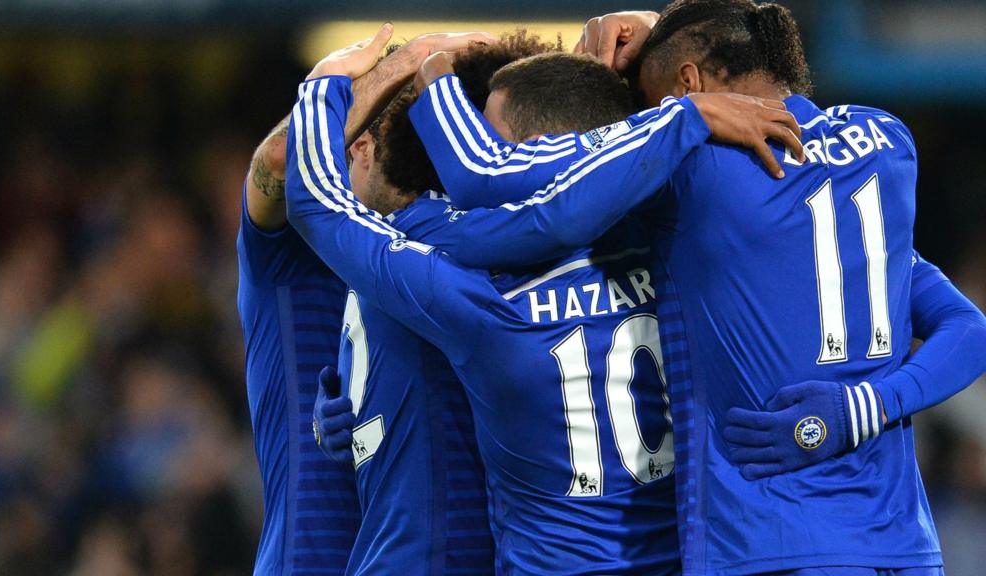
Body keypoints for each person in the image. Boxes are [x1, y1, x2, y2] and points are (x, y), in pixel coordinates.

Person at [395, 1, 986, 574]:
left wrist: (435, 68)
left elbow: (488, 178)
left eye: (649, 106)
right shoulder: (884, 143)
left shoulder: (693, 167)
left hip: (768, 542)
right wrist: (869, 405)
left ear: (686, 84)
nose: (647, 124)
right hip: (901, 539)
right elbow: (967, 330)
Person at [284, 23, 803, 575]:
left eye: (485, 137)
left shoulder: (474, 289)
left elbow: (315, 204)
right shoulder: (687, 244)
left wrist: (325, 82)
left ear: (529, 155)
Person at [235, 30, 492, 575]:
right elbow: (281, 162)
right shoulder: (288, 255)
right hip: (313, 559)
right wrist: (399, 69)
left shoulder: (453, 257)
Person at [309, 32, 567, 575]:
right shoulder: (386, 242)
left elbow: (295, 177)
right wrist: (352, 417)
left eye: (365, 134)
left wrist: (326, 81)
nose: (349, 151)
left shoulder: (449, 245)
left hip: (449, 551)